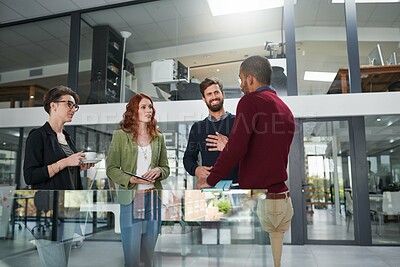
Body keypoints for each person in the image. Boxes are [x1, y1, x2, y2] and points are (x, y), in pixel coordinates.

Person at [197, 56, 295, 267]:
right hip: (284, 200)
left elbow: (237, 148)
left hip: (262, 199)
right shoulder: (285, 109)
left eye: (241, 79)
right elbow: (263, 148)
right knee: (275, 261)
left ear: (250, 79)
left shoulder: (250, 102)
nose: (241, 85)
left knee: (239, 256)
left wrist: (211, 180)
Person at [106, 93, 170, 267]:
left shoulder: (159, 137)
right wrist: (130, 179)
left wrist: (159, 170)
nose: (148, 110)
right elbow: (111, 169)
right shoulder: (120, 136)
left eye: (150, 107)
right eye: (143, 107)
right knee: (132, 252)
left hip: (153, 198)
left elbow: (166, 168)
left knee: (149, 252)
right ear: (134, 111)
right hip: (131, 198)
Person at [24, 85, 94, 190]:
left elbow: (63, 172)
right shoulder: (37, 136)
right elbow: (30, 177)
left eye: (75, 106)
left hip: (71, 200)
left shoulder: (68, 138)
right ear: (53, 105)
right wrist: (65, 162)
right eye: (69, 104)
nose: (73, 109)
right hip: (50, 203)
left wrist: (77, 167)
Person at [183, 77, 239, 187]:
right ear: (204, 99)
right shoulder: (198, 128)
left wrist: (229, 148)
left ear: (223, 94)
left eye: (216, 92)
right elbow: (188, 158)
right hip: (209, 187)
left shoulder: (239, 123)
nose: (214, 97)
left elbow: (252, 155)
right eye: (209, 94)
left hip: (237, 185)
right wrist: (196, 170)